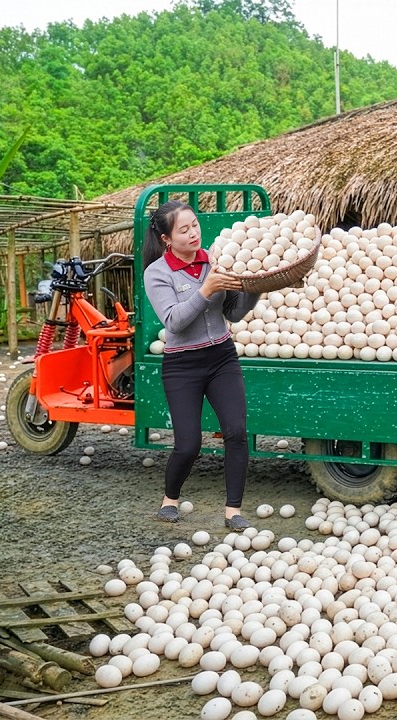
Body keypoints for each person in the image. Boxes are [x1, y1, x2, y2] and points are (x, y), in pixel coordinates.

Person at [142, 200, 261, 529]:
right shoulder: (157, 274)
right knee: (189, 444)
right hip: (182, 365)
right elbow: (174, 322)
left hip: (222, 357)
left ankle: (233, 511)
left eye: (195, 225)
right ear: (167, 238)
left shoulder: (216, 260)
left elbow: (233, 313)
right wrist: (206, 289)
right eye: (184, 229)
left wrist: (254, 287)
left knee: (236, 433)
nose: (194, 233)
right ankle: (170, 498)